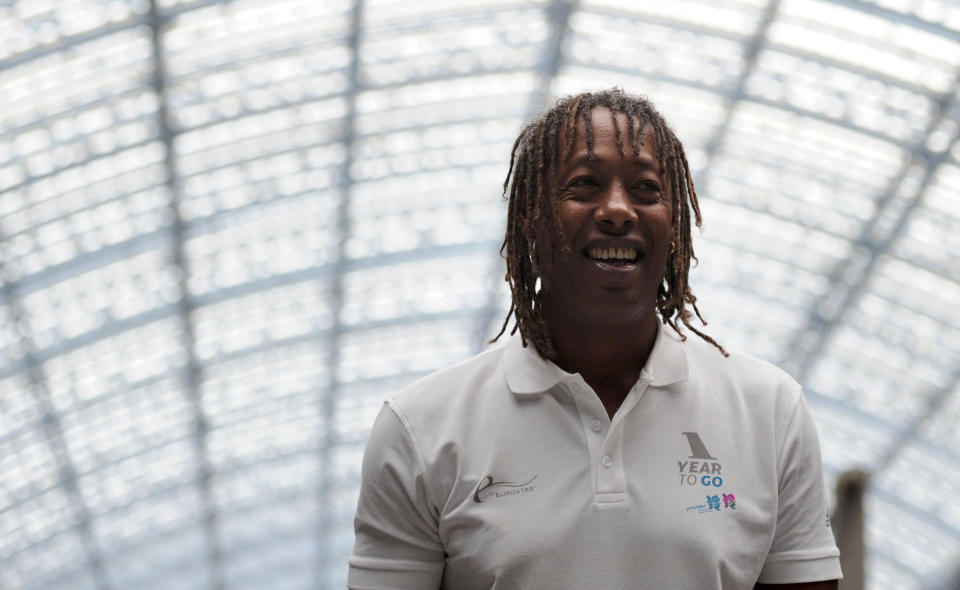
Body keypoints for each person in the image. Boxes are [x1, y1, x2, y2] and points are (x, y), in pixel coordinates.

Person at [348, 88, 842, 589]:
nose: (618, 210)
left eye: (646, 189)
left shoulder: (769, 410)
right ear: (529, 219)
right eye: (584, 185)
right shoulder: (421, 428)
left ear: (675, 224)